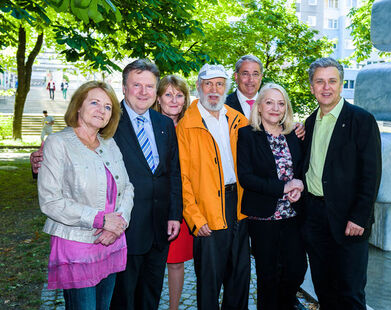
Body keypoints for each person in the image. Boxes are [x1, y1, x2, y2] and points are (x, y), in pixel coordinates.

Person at [31, 59, 182, 310]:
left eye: (150, 86)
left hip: (156, 226)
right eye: (137, 85)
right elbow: (71, 152)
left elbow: (172, 173)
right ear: (124, 87)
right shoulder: (107, 123)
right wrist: (37, 161)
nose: (144, 92)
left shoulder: (163, 124)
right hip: (120, 231)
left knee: (150, 296)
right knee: (119, 300)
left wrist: (174, 213)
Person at [38, 81, 134, 309]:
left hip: (110, 241)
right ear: (78, 106)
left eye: (108, 107)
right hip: (77, 244)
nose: (102, 110)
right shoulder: (57, 143)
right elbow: (50, 201)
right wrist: (101, 220)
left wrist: (119, 222)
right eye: (95, 102)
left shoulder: (109, 144)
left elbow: (127, 187)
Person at [300, 57, 382, 310]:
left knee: (350, 291)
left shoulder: (361, 120)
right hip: (314, 217)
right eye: (320, 81)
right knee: (324, 287)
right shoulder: (310, 122)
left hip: (349, 221)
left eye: (332, 81)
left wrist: (359, 216)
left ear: (341, 84)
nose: (326, 87)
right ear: (312, 87)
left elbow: (372, 174)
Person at [177, 64, 250, 310]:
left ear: (226, 88)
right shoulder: (186, 124)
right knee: (209, 281)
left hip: (238, 206)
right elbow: (182, 177)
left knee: (239, 278)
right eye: (208, 84)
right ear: (198, 87)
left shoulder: (238, 119)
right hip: (206, 209)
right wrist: (194, 217)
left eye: (219, 84)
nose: (213, 90)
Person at [237, 83, 307, 309]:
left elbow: (302, 169)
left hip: (293, 216)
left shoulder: (294, 134)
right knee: (268, 275)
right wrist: (284, 187)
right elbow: (246, 178)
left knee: (296, 269)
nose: (275, 108)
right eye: (269, 102)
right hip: (263, 217)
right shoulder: (247, 135)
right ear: (259, 107)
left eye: (281, 103)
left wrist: (298, 187)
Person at [153, 75, 193, 310]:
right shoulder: (147, 123)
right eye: (168, 94)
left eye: (179, 95)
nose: (174, 100)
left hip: (183, 203)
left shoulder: (190, 126)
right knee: (152, 262)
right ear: (159, 98)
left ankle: (174, 307)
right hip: (153, 202)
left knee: (176, 262)